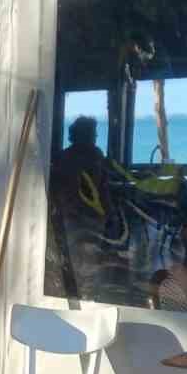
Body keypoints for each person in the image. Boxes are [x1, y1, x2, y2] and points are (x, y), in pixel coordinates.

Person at [48, 116, 117, 298]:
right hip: (85, 218)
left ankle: (74, 294)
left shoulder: (63, 157)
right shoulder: (94, 156)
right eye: (92, 133)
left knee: (75, 259)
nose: (95, 136)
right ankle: (86, 296)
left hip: (71, 217)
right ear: (82, 135)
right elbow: (104, 189)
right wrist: (110, 215)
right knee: (89, 261)